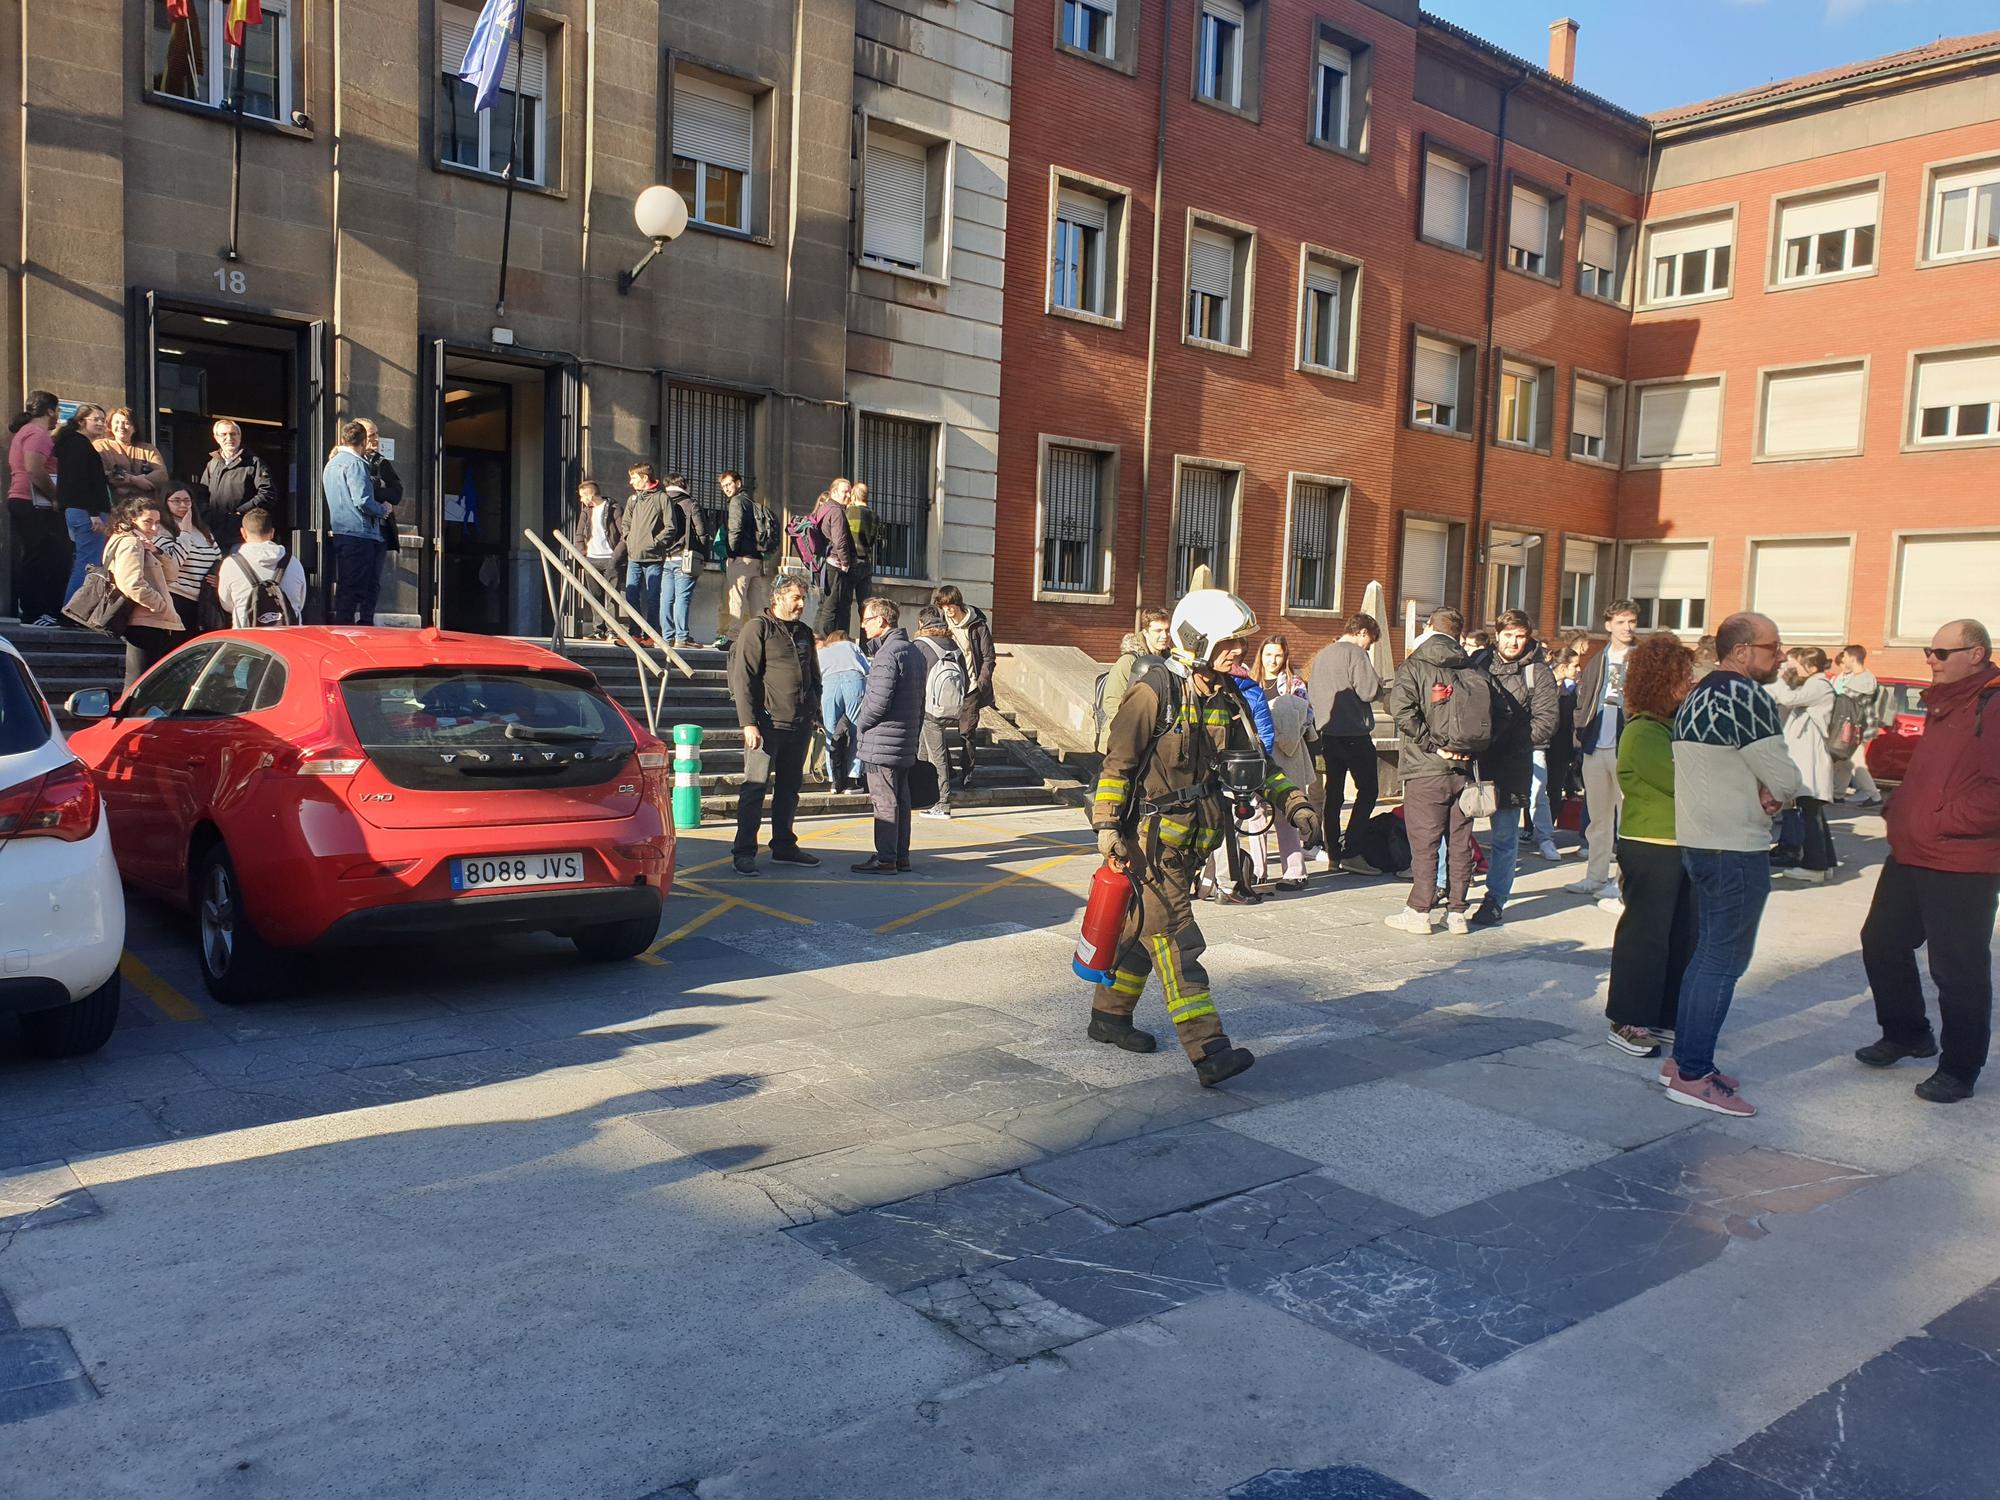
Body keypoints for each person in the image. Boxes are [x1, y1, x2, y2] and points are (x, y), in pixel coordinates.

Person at [1089, 589, 1317, 1087]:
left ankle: (1108, 1016)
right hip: (1150, 846)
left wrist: (1295, 803)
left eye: (1240, 642)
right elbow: (1117, 764)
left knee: (1141, 936)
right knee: (1176, 940)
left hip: (1194, 843)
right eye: (1229, 642)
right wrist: (1107, 826)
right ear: (1198, 642)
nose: (1239, 651)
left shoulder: (1227, 699)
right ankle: (1208, 1048)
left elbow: (1254, 767)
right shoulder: (1153, 692)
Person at [1853, 619, 2000, 1104]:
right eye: (1927, 652)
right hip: (1913, 852)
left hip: (1963, 859)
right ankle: (1907, 1032)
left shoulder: (1992, 704)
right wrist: (1901, 809)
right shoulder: (1945, 704)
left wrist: (1939, 819)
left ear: (1976, 654)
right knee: (1881, 940)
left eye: (1940, 653)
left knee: (1956, 967)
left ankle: (1960, 1067)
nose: (1930, 661)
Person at [1666, 611, 1802, 1117]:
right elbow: (1785, 777)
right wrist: (1773, 790)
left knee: (1707, 956)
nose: (1781, 654)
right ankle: (1694, 1073)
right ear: (1741, 651)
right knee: (1723, 961)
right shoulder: (1746, 696)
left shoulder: (1697, 694)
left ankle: (1683, 1061)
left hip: (1700, 842)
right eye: (1773, 646)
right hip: (1736, 846)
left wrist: (1764, 785)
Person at [1604, 633, 1699, 1059]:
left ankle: (1666, 1014)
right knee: (1646, 936)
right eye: (1684, 677)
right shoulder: (1644, 732)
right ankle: (1628, 1018)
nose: (1690, 684)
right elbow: (1688, 783)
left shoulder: (1673, 727)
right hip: (1651, 845)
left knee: (1682, 935)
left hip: (1685, 843)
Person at [1386, 607, 1481, 935]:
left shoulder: (1414, 665)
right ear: (1459, 634)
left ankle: (1419, 911)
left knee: (1424, 842)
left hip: (1425, 768)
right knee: (1460, 841)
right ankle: (1457, 912)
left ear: (1429, 628)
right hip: (1465, 770)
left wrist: (1433, 744)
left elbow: (1400, 709)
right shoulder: (1472, 667)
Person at [727, 576, 823, 877]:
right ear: (778, 598)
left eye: (803, 598)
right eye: (795, 597)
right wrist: (748, 723)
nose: (801, 604)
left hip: (799, 724)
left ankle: (783, 845)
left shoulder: (805, 632)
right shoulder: (758, 628)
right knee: (755, 789)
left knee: (789, 789)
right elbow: (743, 678)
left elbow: (814, 675)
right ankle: (744, 852)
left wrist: (814, 709)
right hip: (766, 725)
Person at [1471, 610, 1558, 926]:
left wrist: (1510, 741)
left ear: (1528, 636)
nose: (1513, 642)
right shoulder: (1478, 661)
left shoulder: (1538, 672)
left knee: (1504, 838)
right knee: (1453, 831)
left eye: (1519, 635)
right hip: (1475, 761)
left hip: (1511, 764)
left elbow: (1547, 722)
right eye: (1507, 635)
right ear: (1497, 634)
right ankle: (1444, 886)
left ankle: (1495, 899)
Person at [852, 596, 928, 873]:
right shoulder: (914, 651)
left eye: (867, 620)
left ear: (882, 621)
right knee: (902, 799)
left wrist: (861, 724)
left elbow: (877, 702)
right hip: (905, 738)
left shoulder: (887, 654)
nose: (863, 626)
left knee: (884, 800)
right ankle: (900, 855)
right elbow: (920, 700)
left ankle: (885, 858)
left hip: (882, 740)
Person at [1569, 598, 1638, 902]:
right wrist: (1580, 735)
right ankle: (1595, 876)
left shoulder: (1642, 658)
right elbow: (1584, 700)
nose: (1627, 627)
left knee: (1629, 818)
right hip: (1596, 745)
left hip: (1628, 747)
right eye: (1621, 621)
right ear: (1609, 625)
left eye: (1632, 621)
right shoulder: (1598, 659)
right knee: (1598, 818)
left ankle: (1623, 881)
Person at [1307, 612, 1385, 875]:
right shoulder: (1356, 653)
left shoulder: (1322, 654)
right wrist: (1380, 686)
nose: (1369, 647)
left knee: (1334, 794)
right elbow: (1368, 691)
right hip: (1354, 733)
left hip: (1326, 733)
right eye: (1370, 642)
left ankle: (1333, 853)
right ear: (1363, 633)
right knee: (1368, 790)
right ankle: (1352, 850)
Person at [1766, 646, 1839, 882]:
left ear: (1811, 666)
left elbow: (1787, 698)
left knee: (1810, 812)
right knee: (1813, 812)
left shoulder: (1818, 686)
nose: (1793, 667)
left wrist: (1778, 676)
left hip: (1812, 758)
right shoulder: (1813, 685)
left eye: (1797, 663)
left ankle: (1814, 866)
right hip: (1808, 756)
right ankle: (1825, 862)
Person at [102, 495, 184, 686]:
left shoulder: (138, 542)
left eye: (157, 522)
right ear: (132, 520)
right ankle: (127, 716)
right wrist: (160, 605)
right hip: (145, 620)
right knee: (139, 683)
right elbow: (131, 583)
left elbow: (171, 575)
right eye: (148, 522)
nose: (154, 528)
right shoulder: (130, 542)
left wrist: (157, 551)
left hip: (149, 619)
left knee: (145, 683)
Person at [6, 390, 65, 626]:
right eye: (57, 410)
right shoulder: (38, 433)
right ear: (50, 410)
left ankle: (33, 608)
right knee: (43, 557)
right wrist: (56, 496)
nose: (58, 416)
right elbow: (34, 469)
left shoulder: (26, 431)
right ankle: (34, 610)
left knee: (39, 555)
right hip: (32, 502)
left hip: (23, 500)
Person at [324, 419, 386, 626]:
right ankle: (348, 630)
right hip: (360, 532)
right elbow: (363, 501)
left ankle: (343, 626)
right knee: (357, 588)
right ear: (362, 441)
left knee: (345, 586)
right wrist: (382, 510)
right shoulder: (357, 464)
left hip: (341, 530)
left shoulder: (331, 464)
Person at [933, 584, 996, 787]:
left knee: (966, 732)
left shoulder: (977, 626)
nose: (948, 610)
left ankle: (967, 774)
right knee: (936, 729)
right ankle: (947, 771)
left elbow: (988, 657)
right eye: (944, 606)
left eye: (951, 605)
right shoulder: (941, 624)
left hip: (971, 688)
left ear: (958, 603)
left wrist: (981, 682)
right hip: (946, 687)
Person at [1255, 689, 1317, 890]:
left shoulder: (1291, 685)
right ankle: (1258, 871)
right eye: (1269, 654)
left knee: (1287, 814)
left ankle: (1294, 871)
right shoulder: (1247, 682)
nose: (1273, 659)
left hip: (1275, 759)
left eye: (1278, 655)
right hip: (1258, 756)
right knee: (1255, 815)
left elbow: (1304, 723)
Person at [55, 403, 115, 607]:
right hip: (87, 511)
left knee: (86, 561)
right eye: (95, 419)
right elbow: (80, 482)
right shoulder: (79, 445)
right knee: (88, 563)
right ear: (81, 421)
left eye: (102, 419)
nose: (100, 423)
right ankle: (73, 609)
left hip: (81, 510)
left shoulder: (75, 444)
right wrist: (93, 514)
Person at [912, 621, 969, 820]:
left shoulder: (920, 645)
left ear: (921, 623)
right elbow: (967, 678)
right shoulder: (954, 646)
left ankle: (942, 803)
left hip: (928, 708)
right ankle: (924, 796)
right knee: (923, 752)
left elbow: (913, 677)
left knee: (937, 757)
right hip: (951, 707)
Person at [715, 471, 775, 649]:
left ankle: (734, 637)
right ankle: (767, 636)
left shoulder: (736, 502)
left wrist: (731, 553)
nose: (726, 489)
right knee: (758, 601)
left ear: (738, 483)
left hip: (740, 558)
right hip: (756, 558)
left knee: (737, 599)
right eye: (723, 486)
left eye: (729, 485)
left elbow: (735, 529)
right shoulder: (752, 503)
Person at [217, 507, 306, 627]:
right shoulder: (293, 562)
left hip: (249, 641)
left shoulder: (230, 565)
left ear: (243, 533)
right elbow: (300, 602)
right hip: (288, 639)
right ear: (272, 533)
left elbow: (226, 604)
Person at [1099, 609, 1171, 753]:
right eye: (1158, 631)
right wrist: (1133, 729)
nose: (1164, 636)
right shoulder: (1128, 661)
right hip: (1121, 741)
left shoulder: (1171, 662)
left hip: (1155, 741)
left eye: (1167, 630)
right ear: (1145, 632)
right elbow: (1111, 702)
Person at [649, 473, 706, 648]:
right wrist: (704, 553)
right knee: (683, 597)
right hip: (685, 556)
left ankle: (667, 636)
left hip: (664, 557)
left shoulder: (659, 502)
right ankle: (682, 637)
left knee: (665, 597)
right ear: (684, 485)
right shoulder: (690, 503)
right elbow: (701, 531)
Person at [158, 487, 224, 634]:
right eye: (176, 501)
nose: (183, 505)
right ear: (165, 502)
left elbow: (218, 557)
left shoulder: (202, 529)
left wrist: (220, 577)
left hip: (204, 600)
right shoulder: (161, 529)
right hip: (177, 597)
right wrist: (185, 532)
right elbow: (173, 562)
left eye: (187, 501)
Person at [569, 480, 626, 638]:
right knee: (595, 596)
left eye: (582, 496)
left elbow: (623, 534)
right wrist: (582, 553)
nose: (581, 500)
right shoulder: (586, 512)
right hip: (592, 559)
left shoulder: (614, 508)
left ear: (590, 495)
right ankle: (598, 630)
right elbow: (579, 533)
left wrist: (616, 556)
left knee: (611, 596)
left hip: (610, 558)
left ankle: (612, 631)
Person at [817, 630, 869, 795]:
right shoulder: (852, 646)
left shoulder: (822, 652)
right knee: (857, 731)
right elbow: (868, 669)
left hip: (828, 683)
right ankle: (853, 778)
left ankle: (834, 780)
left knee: (830, 732)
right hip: (854, 679)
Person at [1831, 645, 1883, 807]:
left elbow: (1843, 703)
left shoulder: (1863, 680)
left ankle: (1875, 796)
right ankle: (1838, 794)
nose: (1843, 659)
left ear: (1853, 659)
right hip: (1855, 726)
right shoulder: (1860, 678)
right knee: (1844, 761)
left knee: (1855, 762)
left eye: (1845, 656)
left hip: (1856, 728)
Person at [199, 418, 275, 525]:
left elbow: (267, 494)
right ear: (216, 438)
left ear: (240, 437)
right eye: (224, 434)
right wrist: (208, 515)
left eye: (233, 434)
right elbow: (202, 494)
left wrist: (240, 512)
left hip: (243, 527)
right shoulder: (212, 464)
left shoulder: (254, 463)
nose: (229, 438)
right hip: (215, 528)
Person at [357, 418, 404, 587]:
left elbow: (397, 493)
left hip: (381, 529)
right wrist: (377, 488)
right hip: (357, 529)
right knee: (355, 581)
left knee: (373, 581)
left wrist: (378, 490)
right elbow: (357, 493)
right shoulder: (349, 461)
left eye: (377, 434)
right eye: (371, 435)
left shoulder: (381, 462)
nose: (376, 439)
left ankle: (366, 614)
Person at [621, 464, 667, 634]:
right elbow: (625, 523)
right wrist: (629, 539)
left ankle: (653, 633)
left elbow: (671, 527)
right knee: (631, 595)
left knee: (652, 597)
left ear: (645, 478)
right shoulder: (633, 500)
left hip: (653, 557)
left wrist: (654, 543)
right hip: (634, 555)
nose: (630, 482)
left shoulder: (662, 498)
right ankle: (634, 632)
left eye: (634, 478)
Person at [809, 479, 857, 637]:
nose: (849, 495)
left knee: (824, 605)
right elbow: (840, 540)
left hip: (823, 564)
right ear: (834, 491)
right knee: (832, 606)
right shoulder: (836, 511)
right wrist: (845, 563)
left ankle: (817, 640)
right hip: (834, 564)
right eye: (845, 491)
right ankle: (827, 642)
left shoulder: (824, 508)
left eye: (850, 491)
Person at [95, 408, 169, 506]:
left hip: (144, 507)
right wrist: (133, 480)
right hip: (114, 506)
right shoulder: (101, 446)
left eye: (126, 423)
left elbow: (162, 474)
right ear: (110, 426)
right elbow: (102, 474)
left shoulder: (148, 448)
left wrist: (137, 482)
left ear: (135, 427)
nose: (121, 426)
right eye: (117, 422)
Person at [847, 480, 886, 619]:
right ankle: (866, 637)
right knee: (865, 606)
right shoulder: (874, 516)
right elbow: (874, 539)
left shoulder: (850, 512)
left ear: (853, 495)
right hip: (866, 562)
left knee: (845, 603)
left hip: (851, 561)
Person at [1258, 635, 1308, 700]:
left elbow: (1304, 708)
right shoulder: (1249, 681)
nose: (1273, 661)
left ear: (1284, 658)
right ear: (1261, 655)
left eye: (1278, 656)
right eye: (1268, 655)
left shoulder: (1295, 684)